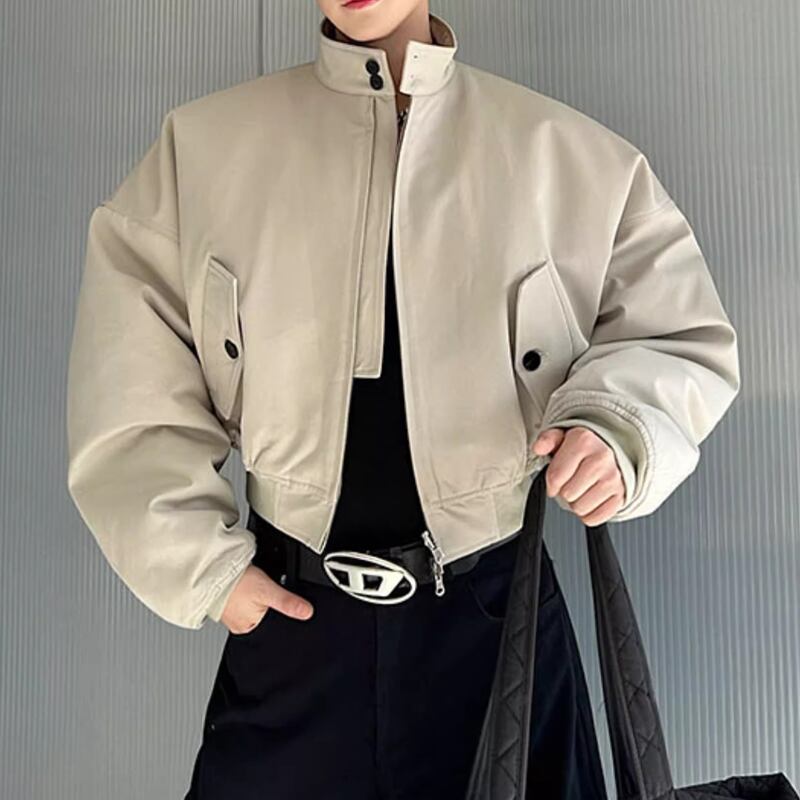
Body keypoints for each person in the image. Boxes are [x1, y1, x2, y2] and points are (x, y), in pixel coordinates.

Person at [65, 1, 741, 797]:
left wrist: (616, 429)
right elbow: (130, 379)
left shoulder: (567, 156)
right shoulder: (203, 151)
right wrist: (206, 570)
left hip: (499, 627)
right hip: (291, 622)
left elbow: (676, 334)